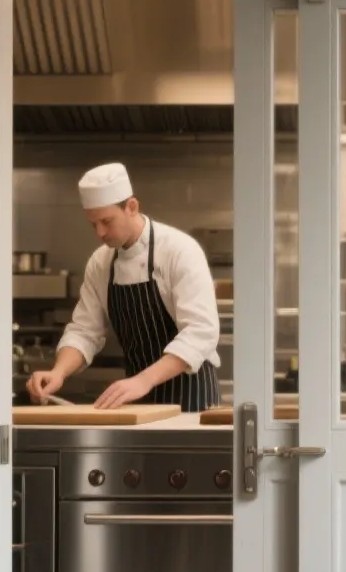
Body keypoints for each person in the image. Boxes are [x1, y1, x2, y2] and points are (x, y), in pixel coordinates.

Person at [26, 163, 222, 411]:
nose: (100, 232)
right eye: (93, 224)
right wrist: (59, 372)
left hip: (191, 396)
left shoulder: (179, 250)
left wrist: (144, 380)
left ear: (132, 207)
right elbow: (84, 331)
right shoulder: (101, 262)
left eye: (106, 221)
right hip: (136, 400)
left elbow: (200, 331)